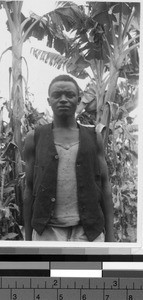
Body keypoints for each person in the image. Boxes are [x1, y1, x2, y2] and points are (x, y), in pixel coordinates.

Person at [23, 74, 115, 242]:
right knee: (47, 269)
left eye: (69, 95)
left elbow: (105, 185)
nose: (63, 99)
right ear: (49, 100)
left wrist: (110, 237)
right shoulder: (34, 137)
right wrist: (28, 239)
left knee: (89, 270)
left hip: (88, 233)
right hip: (47, 232)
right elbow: (29, 188)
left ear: (78, 99)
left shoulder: (94, 137)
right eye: (57, 95)